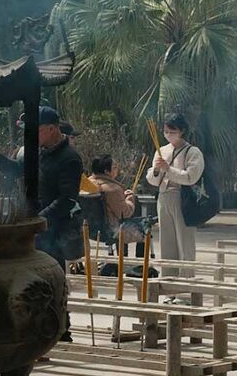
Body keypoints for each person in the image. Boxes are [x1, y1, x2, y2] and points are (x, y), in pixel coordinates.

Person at [36, 106, 84, 341]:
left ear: (52, 129)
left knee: (54, 279)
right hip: (39, 228)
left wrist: (41, 218)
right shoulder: (41, 152)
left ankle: (61, 328)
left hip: (55, 229)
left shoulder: (69, 158)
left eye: (36, 129)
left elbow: (67, 199)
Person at [147, 114, 205, 266]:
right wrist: (156, 170)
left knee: (185, 240)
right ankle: (168, 277)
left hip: (182, 198)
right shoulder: (162, 150)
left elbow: (190, 177)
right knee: (166, 240)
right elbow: (153, 180)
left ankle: (187, 278)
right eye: (166, 131)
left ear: (182, 131)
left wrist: (168, 169)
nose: (168, 135)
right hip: (163, 196)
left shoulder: (192, 152)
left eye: (172, 132)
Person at [88, 155, 143, 244]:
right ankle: (137, 255)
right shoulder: (113, 189)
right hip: (112, 230)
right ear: (106, 171)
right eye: (114, 167)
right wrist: (130, 200)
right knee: (143, 225)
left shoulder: (86, 186)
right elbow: (125, 213)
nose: (117, 169)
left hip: (88, 229)